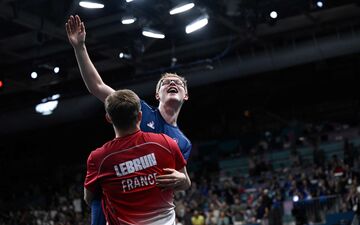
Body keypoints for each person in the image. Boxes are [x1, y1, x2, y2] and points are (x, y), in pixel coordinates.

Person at [65, 15, 192, 224]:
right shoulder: (137, 107)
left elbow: (180, 181)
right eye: (166, 82)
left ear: (185, 95)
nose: (172, 82)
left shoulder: (183, 142)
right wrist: (79, 47)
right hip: (113, 207)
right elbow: (97, 87)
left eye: (178, 82)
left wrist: (184, 181)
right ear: (157, 95)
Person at [84, 89, 191, 225]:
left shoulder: (99, 158)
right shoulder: (166, 142)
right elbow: (186, 183)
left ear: (108, 118)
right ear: (140, 116)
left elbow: (90, 199)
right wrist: (181, 180)